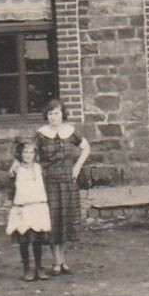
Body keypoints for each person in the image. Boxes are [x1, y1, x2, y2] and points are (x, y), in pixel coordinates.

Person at [36, 99, 91, 274]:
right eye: (51, 114)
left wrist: (77, 166)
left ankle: (63, 260)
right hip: (49, 181)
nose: (54, 117)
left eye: (57, 113)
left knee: (66, 218)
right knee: (53, 220)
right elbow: (28, 152)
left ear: (62, 114)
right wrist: (16, 164)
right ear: (47, 116)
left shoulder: (70, 132)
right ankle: (56, 261)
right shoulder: (41, 134)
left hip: (68, 180)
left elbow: (86, 147)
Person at [6, 140, 52, 281]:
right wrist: (14, 205)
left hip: (37, 207)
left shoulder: (39, 168)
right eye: (25, 152)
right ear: (20, 154)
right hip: (23, 208)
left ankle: (39, 267)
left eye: (31, 152)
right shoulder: (16, 169)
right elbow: (11, 190)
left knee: (37, 239)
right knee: (24, 239)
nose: (28, 155)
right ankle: (27, 268)